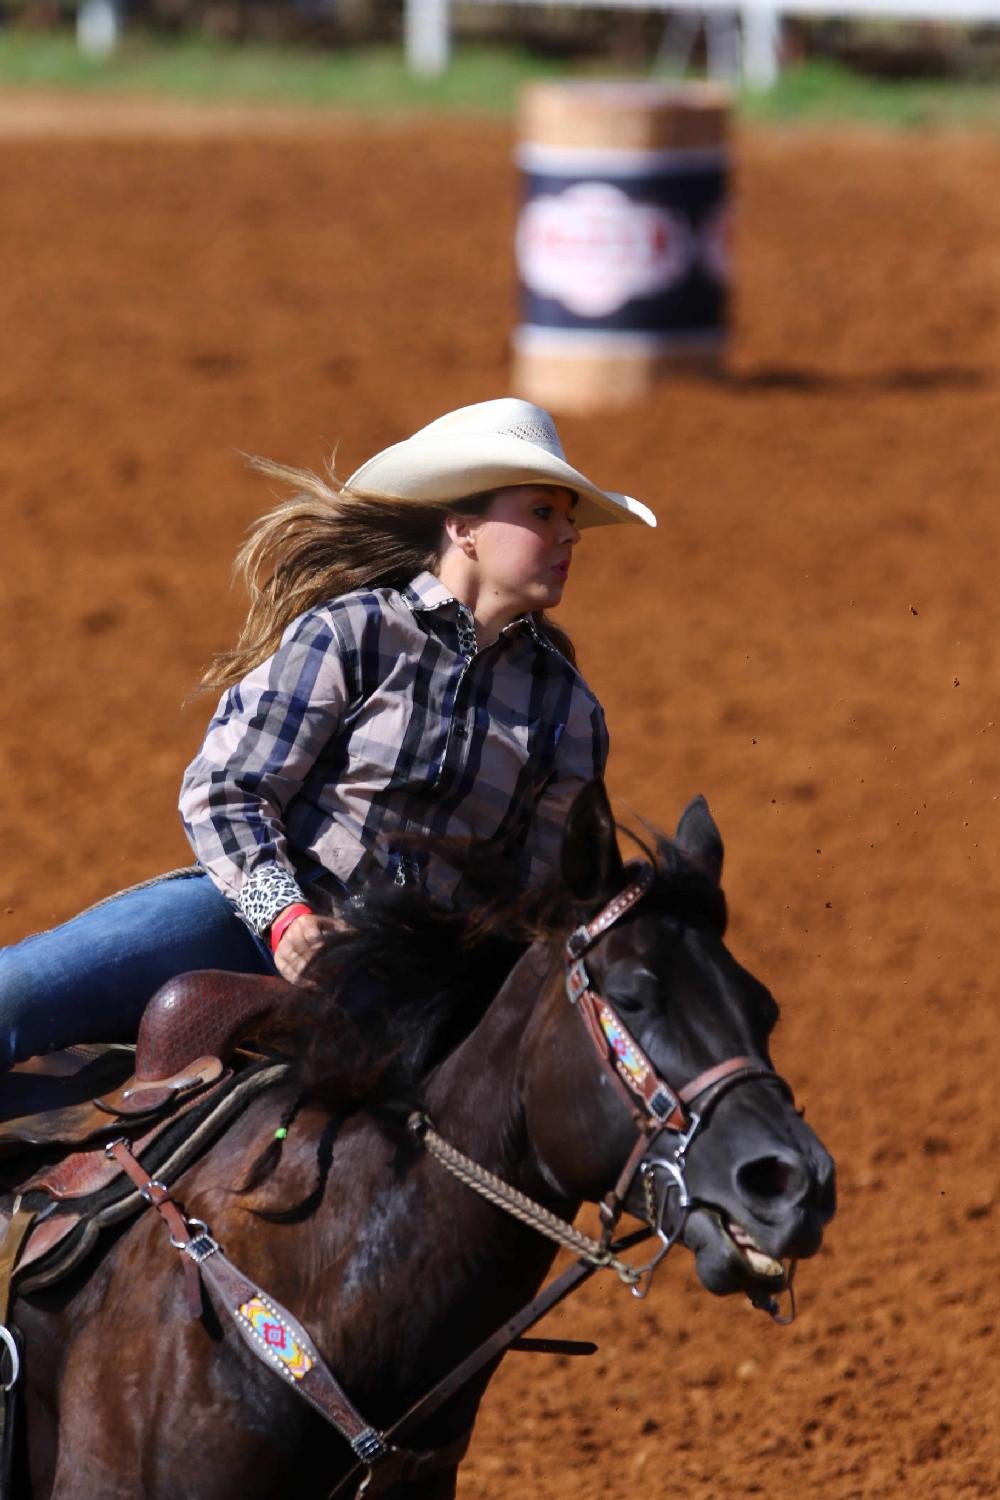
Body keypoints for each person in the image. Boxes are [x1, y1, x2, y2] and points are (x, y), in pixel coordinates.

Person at [0, 398, 655, 1073]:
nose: (569, 535)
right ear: (463, 525)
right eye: (543, 512)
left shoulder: (568, 709)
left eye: (570, 518)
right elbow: (227, 790)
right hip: (252, 927)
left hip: (409, 997)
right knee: (14, 992)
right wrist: (285, 918)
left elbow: (541, 897)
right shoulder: (353, 632)